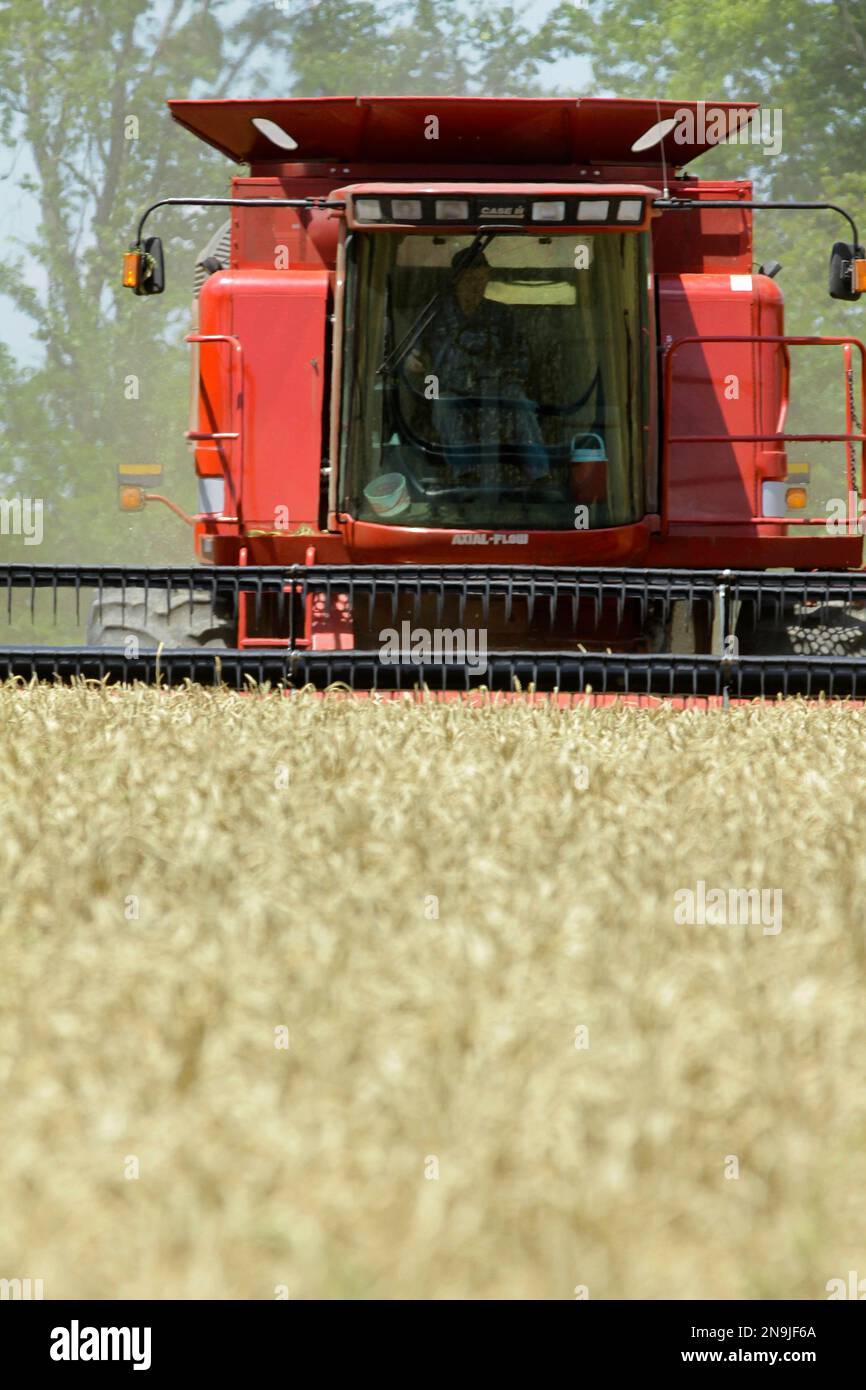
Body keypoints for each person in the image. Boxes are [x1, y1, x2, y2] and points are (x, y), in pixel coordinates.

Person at [405, 248, 550, 484]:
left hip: (497, 393)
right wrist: (413, 362)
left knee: (520, 401)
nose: (477, 285)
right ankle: (466, 477)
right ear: (456, 280)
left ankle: (540, 475)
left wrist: (506, 376)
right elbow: (412, 355)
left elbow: (523, 357)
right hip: (453, 393)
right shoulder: (434, 315)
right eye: (471, 279)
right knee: (442, 404)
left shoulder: (502, 315)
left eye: (482, 278)